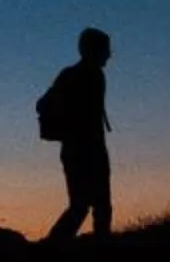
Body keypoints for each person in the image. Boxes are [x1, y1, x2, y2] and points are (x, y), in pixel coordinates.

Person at [40, 27, 115, 244]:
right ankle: (55, 248)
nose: (109, 54)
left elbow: (43, 103)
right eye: (106, 49)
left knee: (85, 205)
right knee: (93, 205)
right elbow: (45, 104)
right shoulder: (89, 76)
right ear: (94, 50)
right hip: (86, 149)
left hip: (79, 149)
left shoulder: (74, 75)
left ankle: (55, 248)